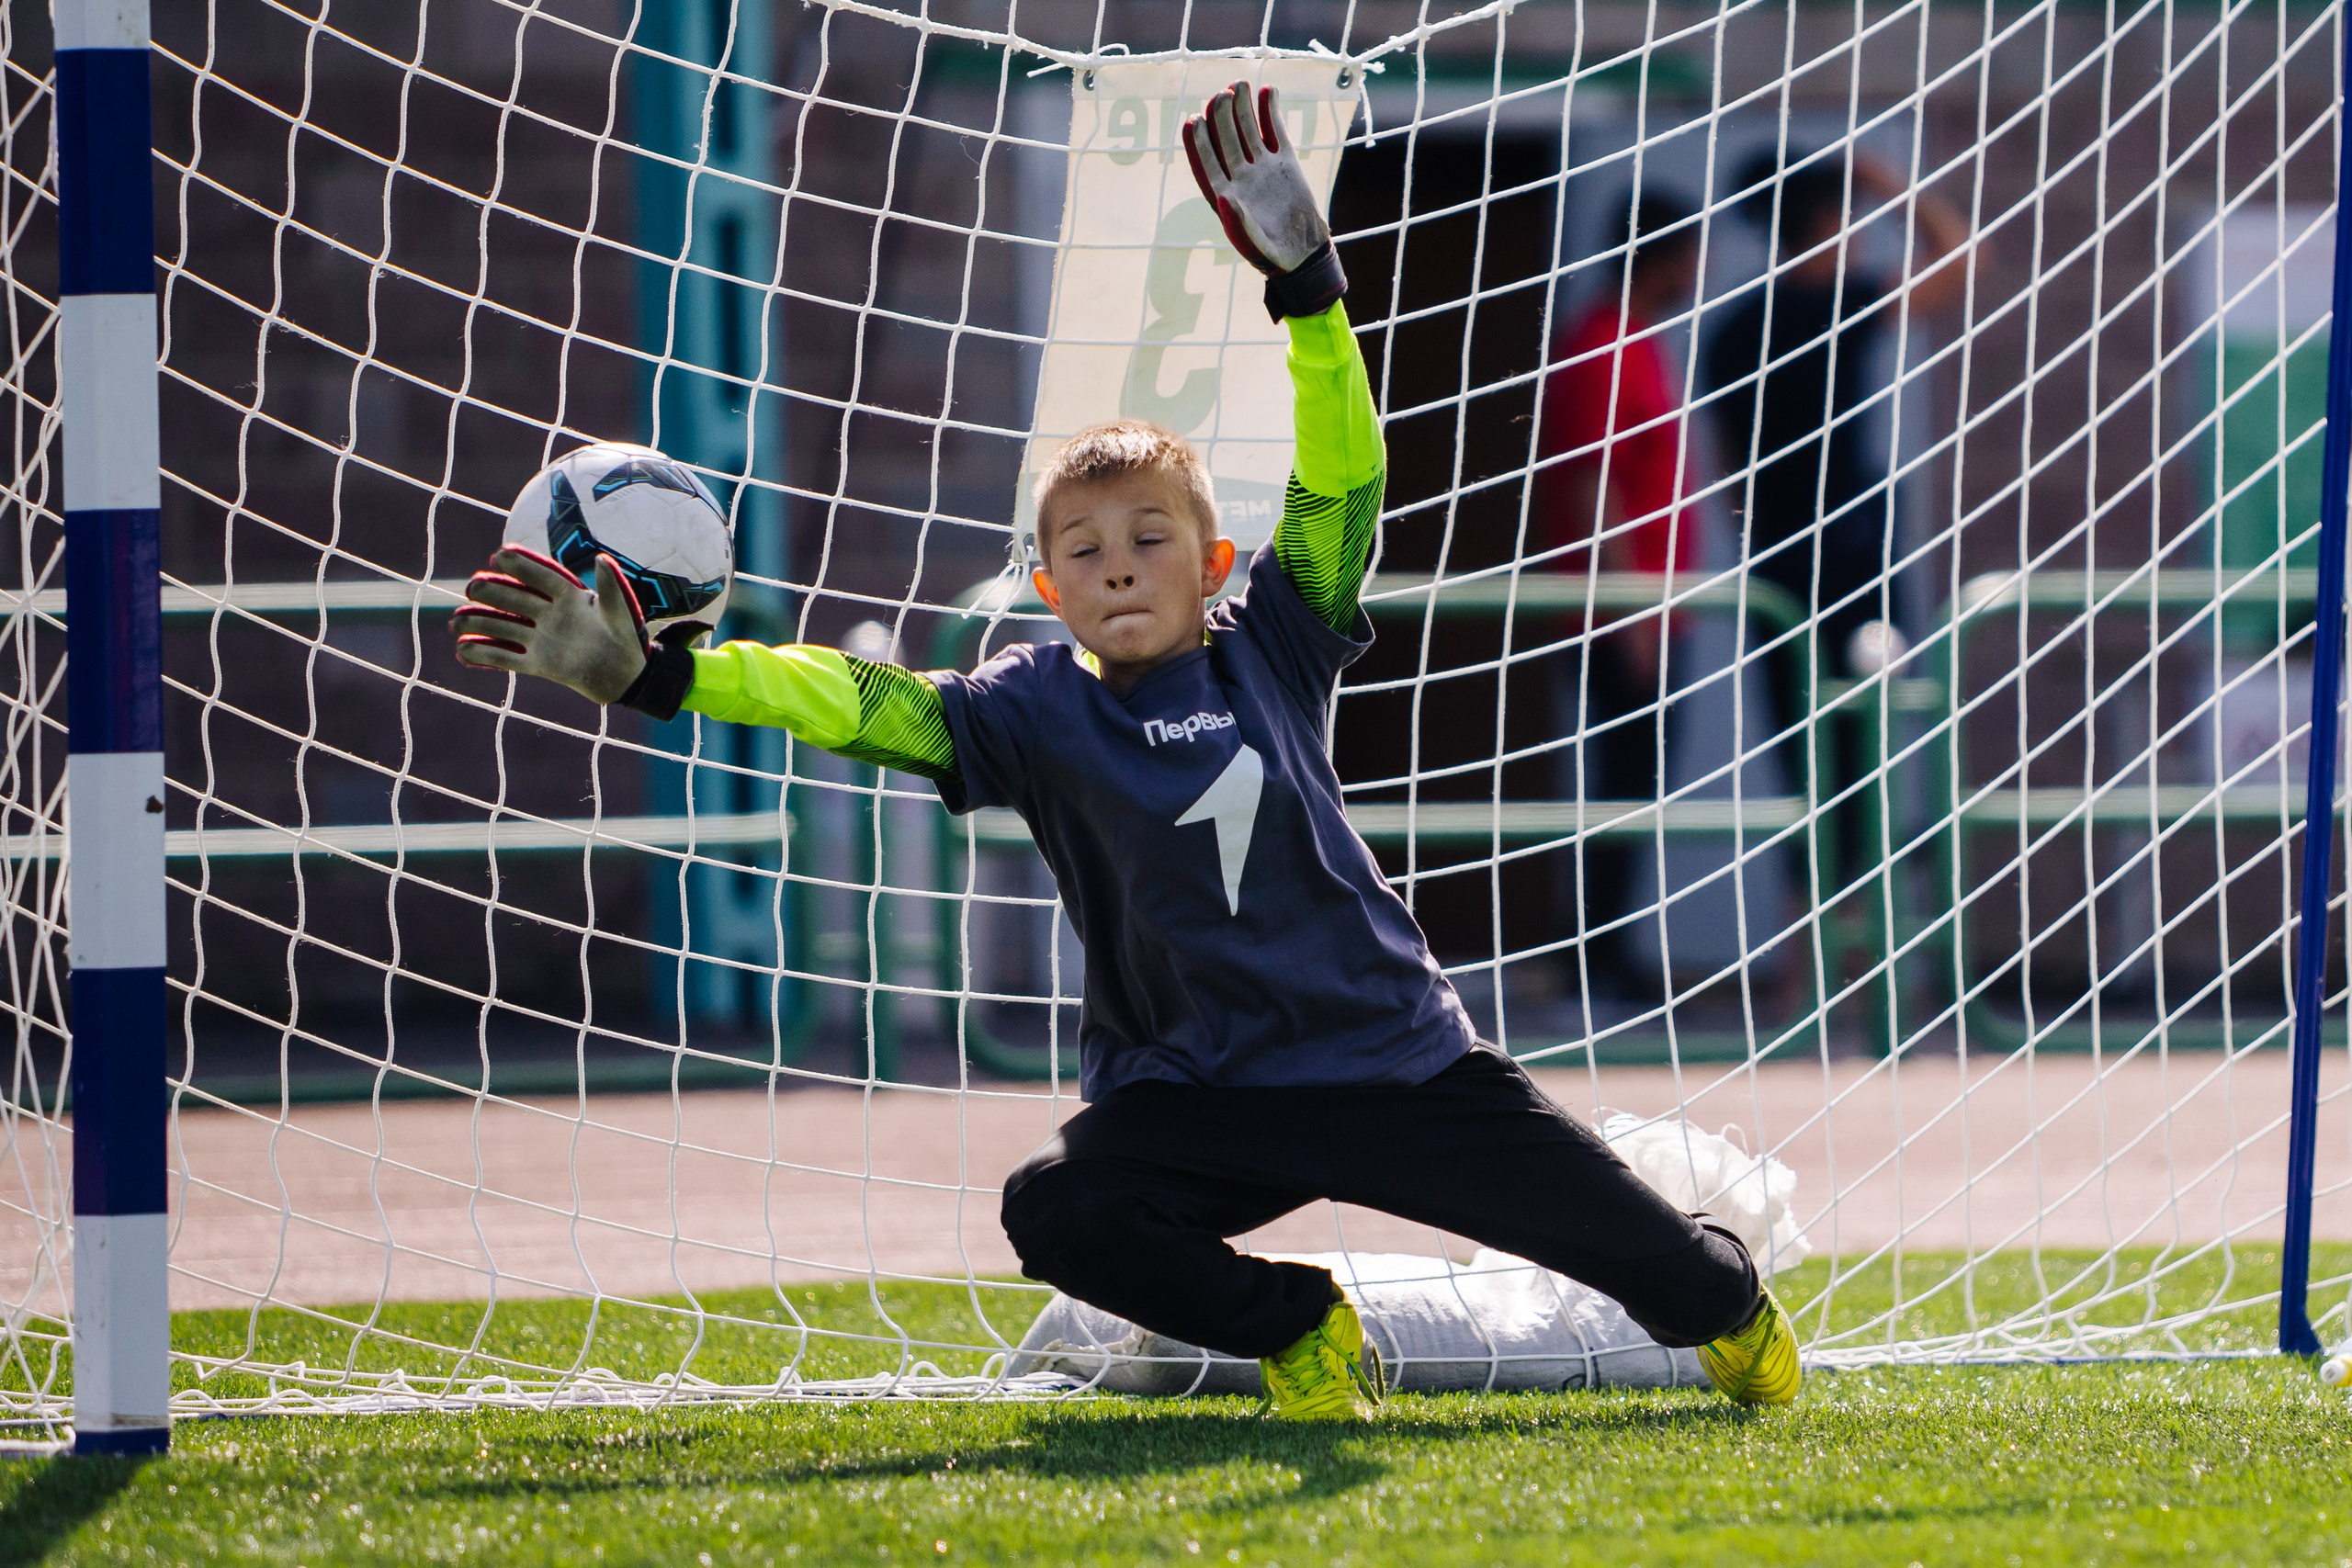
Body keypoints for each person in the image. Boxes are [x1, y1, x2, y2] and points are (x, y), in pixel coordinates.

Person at [451, 83, 1799, 1421]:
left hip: (1396, 1065)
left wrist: (1311, 291)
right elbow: (857, 697)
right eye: (1084, 551)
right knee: (1060, 1206)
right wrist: (666, 673)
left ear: (1213, 561)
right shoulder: (1027, 704)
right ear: (1046, 586)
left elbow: (1345, 485)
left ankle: (1723, 1294)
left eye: (1152, 538)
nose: (1120, 565)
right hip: (1201, 1095)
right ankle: (1298, 1326)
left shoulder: (1273, 639)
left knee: (1677, 1286)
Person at [1702, 149, 1975, 794]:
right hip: (1847, 566)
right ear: (1826, 223)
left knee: (1805, 769)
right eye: (1850, 219)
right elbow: (1962, 256)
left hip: (1778, 569)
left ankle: (1819, 889)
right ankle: (1852, 893)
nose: (1859, 235)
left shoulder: (1734, 330)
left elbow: (1727, 474)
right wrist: (1888, 182)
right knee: (1862, 761)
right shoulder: (1837, 306)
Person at [1538, 193, 1705, 977]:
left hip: (1645, 609)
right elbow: (1593, 487)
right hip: (1614, 613)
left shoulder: (1636, 341)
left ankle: (1606, 949)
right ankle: (1595, 958)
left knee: (1638, 778)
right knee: (1622, 779)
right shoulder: (1603, 344)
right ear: (1666, 258)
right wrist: (1633, 610)